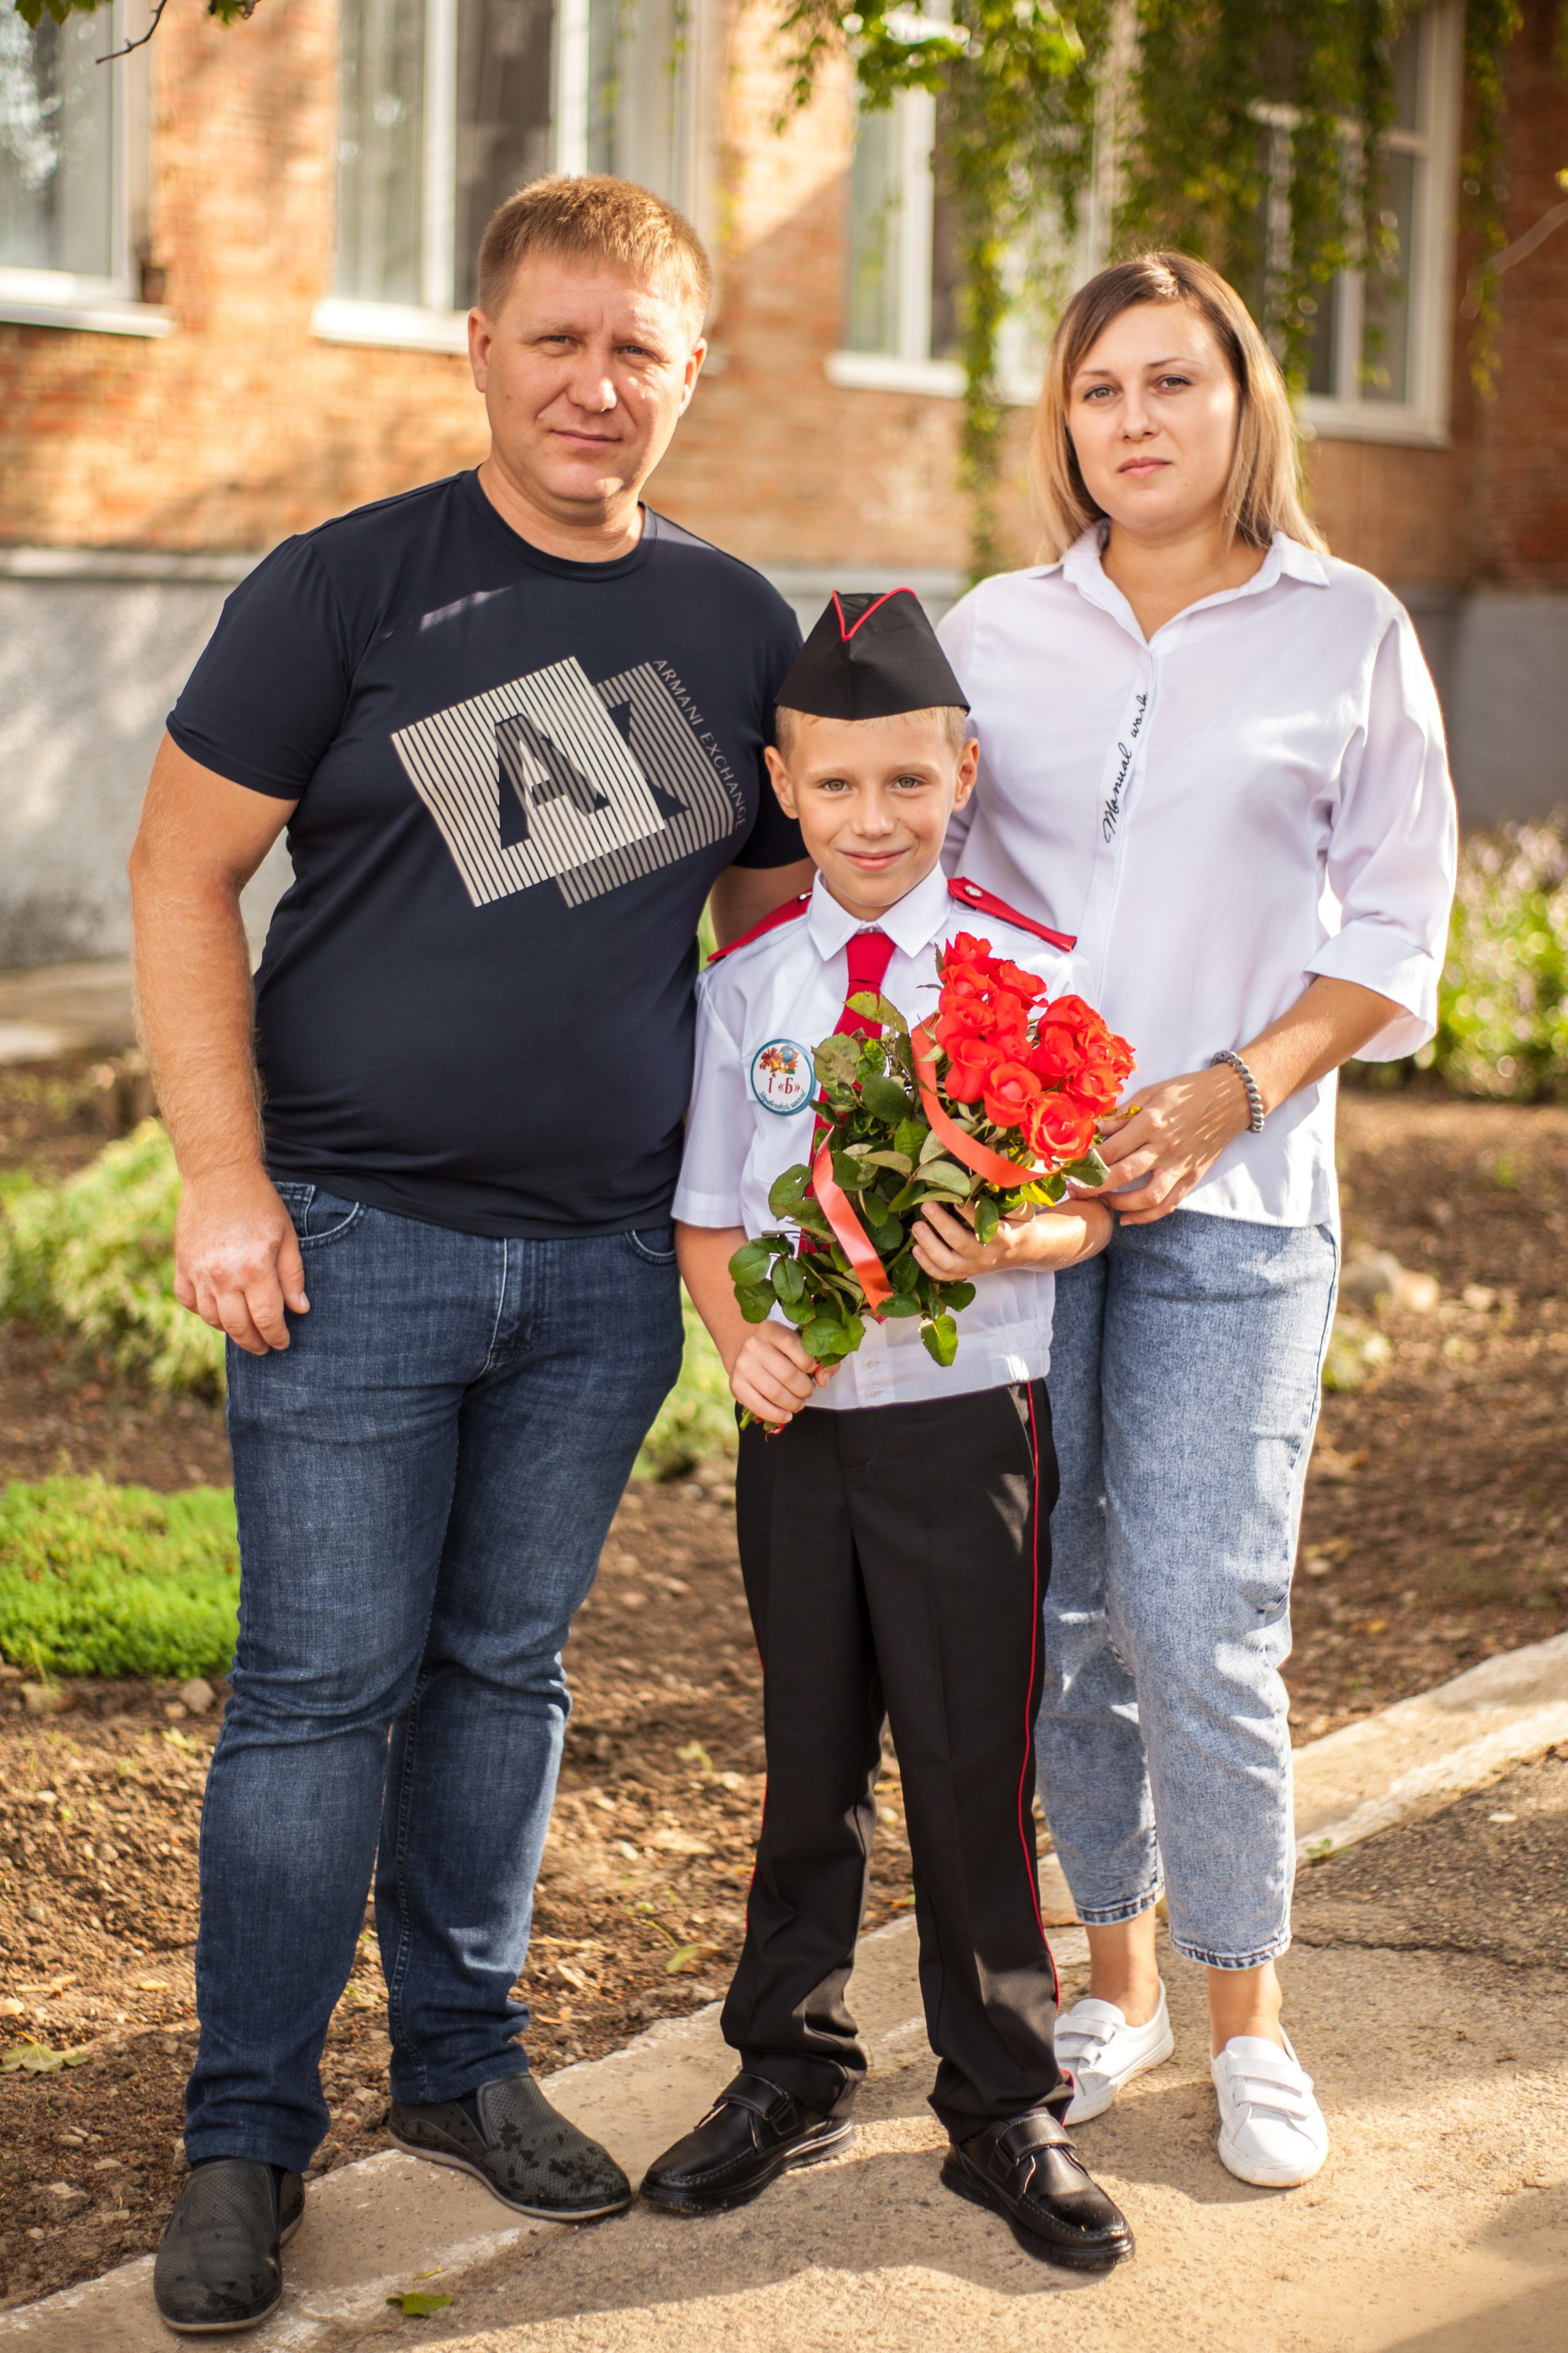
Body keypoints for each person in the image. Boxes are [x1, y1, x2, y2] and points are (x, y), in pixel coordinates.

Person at [129, 175, 814, 2335]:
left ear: (691, 374)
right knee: (316, 1695)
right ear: (482, 350)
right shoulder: (351, 585)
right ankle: (247, 2132)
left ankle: (459, 2063)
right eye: (559, 341)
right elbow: (176, 872)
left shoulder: (734, 626)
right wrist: (222, 1179)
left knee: (505, 1675)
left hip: (602, 1268)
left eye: (640, 351)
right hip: (350, 1242)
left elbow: (770, 928)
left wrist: (760, 1208)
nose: (597, 385)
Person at [937, 252, 1457, 2188]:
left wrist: (1230, 1088)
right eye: (1101, 390)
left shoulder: (1349, 628)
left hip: (1240, 1199)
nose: (1136, 420)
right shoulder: (997, 631)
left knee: (1202, 1616)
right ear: (1064, 425)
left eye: (1173, 381)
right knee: (1056, 1610)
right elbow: (926, 880)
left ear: (1244, 402)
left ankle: (1252, 2017)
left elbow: (1398, 930)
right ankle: (1119, 1983)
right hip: (1030, 1208)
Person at [643, 588, 1135, 2274]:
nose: (873, 819)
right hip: (803, 1438)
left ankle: (1004, 2102)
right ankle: (790, 2065)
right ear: (785, 785)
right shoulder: (748, 987)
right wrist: (740, 1346)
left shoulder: (1026, 975)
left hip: (963, 1423)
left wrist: (1014, 1237)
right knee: (807, 1759)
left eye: (908, 783)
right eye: (838, 786)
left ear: (962, 776)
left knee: (969, 1767)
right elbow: (711, 1209)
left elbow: (1090, 1210)